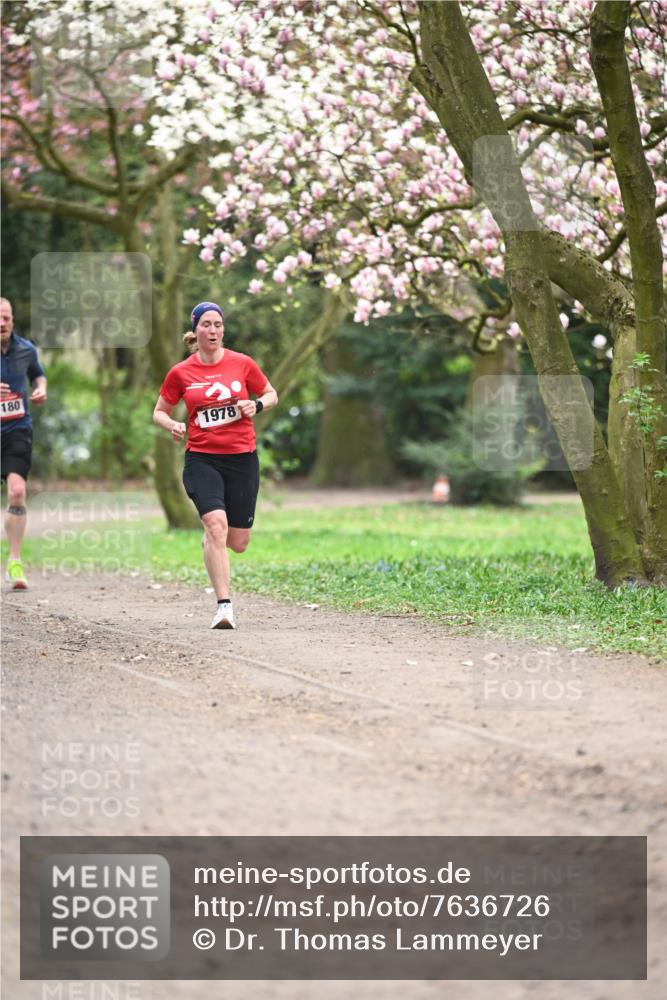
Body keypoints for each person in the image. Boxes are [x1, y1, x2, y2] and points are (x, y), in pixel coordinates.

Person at [153, 302, 278, 629]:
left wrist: (257, 404)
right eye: (206, 324)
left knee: (238, 542)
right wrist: (173, 426)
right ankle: (224, 606)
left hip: (241, 458)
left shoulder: (242, 363)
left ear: (223, 330)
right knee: (216, 525)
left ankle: (213, 542)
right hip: (202, 458)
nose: (213, 330)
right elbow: (159, 411)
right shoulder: (181, 372)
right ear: (195, 330)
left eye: (218, 325)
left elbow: (271, 393)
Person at [1, 296, 48, 589]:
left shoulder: (25, 349)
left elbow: (38, 376)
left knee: (17, 492)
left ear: (13, 320)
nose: (1, 323)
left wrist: (40, 390)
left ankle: (15, 562)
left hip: (18, 428)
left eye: (6, 317)